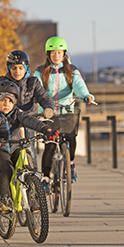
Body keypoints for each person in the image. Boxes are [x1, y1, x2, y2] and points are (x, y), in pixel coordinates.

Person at [0, 80, 59, 213]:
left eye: (10, 101)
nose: (7, 104)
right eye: (3, 101)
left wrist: (46, 130)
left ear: (14, 102)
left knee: (28, 166)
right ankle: (1, 199)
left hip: (15, 146)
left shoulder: (17, 113)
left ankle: (33, 197)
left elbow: (31, 121)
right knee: (7, 167)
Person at [34, 36, 95, 185]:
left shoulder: (71, 71)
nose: (56, 56)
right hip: (48, 112)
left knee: (71, 138)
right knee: (50, 144)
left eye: (59, 53)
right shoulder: (40, 71)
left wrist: (86, 96)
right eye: (53, 53)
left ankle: (71, 164)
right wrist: (34, 98)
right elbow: (35, 87)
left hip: (67, 110)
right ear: (48, 54)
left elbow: (79, 85)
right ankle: (46, 178)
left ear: (64, 54)